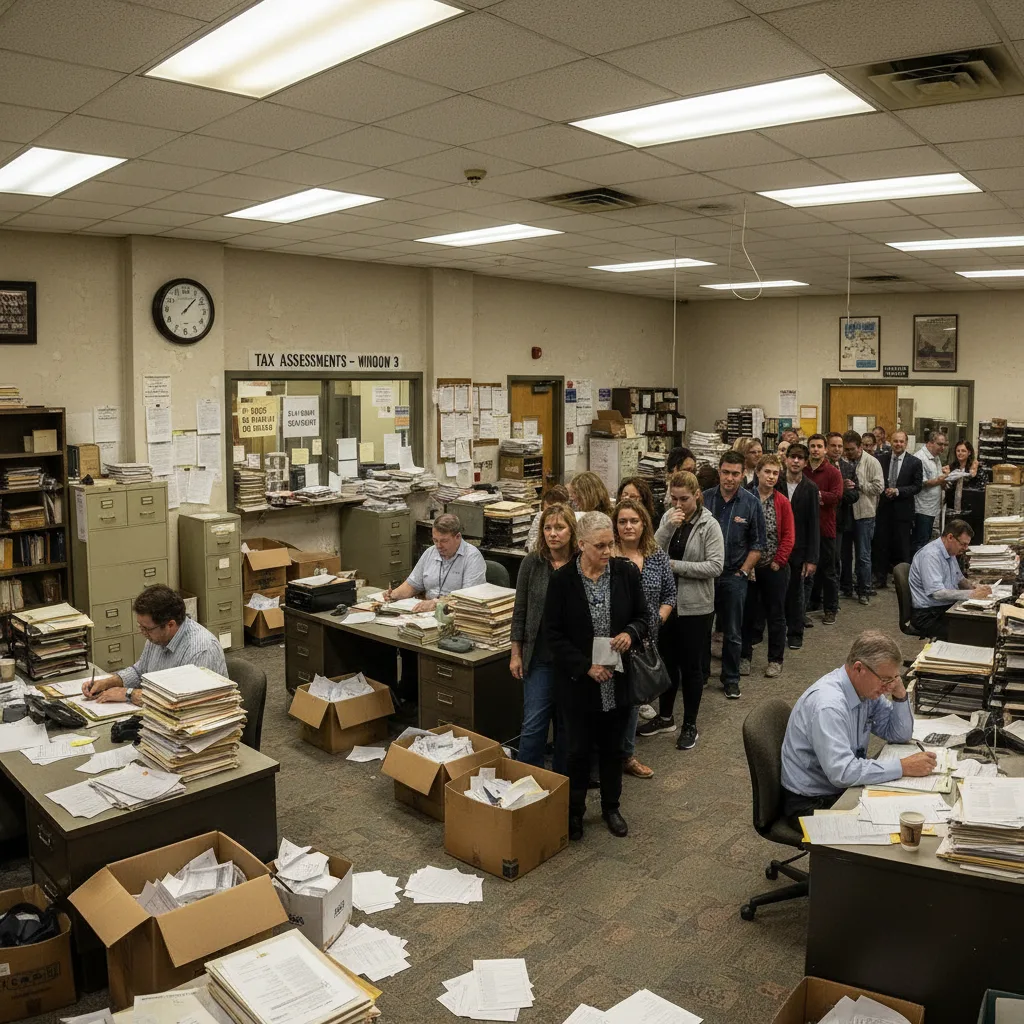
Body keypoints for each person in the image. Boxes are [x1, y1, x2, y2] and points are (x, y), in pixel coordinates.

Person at [545, 511, 647, 841]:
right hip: (579, 684)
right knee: (576, 752)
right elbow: (553, 635)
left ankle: (611, 807)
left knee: (613, 749)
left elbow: (644, 617)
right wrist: (586, 666)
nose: (607, 552)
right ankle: (574, 812)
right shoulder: (562, 582)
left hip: (616, 681)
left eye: (611, 545)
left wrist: (630, 633)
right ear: (581, 544)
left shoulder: (625, 573)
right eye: (600, 546)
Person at [780, 630, 935, 829]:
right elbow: (842, 772)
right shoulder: (829, 706)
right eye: (886, 679)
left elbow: (899, 734)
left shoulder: (865, 690)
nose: (888, 685)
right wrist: (903, 766)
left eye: (894, 678)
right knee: (894, 824)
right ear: (859, 668)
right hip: (810, 802)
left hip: (837, 788)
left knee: (909, 807)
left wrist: (899, 692)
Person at [642, 472, 723, 750]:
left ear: (697, 495)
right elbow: (650, 552)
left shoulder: (709, 525)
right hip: (666, 605)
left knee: (691, 668)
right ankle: (665, 717)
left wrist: (674, 566)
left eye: (684, 499)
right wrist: (666, 529)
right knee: (666, 663)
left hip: (696, 608)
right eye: (673, 498)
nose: (678, 504)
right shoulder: (668, 519)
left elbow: (715, 566)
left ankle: (690, 724)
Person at [511, 503, 576, 772]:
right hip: (538, 657)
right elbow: (520, 610)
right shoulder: (532, 563)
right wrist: (515, 654)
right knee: (534, 725)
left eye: (559, 527)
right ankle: (525, 782)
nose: (553, 534)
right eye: (548, 528)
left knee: (567, 728)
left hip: (572, 660)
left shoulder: (582, 564)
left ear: (572, 531)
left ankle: (561, 786)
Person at [612, 498, 674, 778]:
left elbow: (669, 595)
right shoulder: (608, 554)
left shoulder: (656, 554)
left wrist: (658, 620)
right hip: (612, 639)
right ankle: (603, 756)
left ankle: (626, 755)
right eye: (622, 521)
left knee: (633, 701)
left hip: (644, 641)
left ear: (644, 523)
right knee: (607, 700)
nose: (628, 526)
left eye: (634, 521)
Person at [83, 585, 227, 705]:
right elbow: (140, 671)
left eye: (147, 628)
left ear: (170, 624)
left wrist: (129, 694)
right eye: (140, 626)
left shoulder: (201, 650)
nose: (142, 632)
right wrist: (110, 682)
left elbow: (184, 703)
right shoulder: (157, 636)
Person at [704, 450, 765, 699]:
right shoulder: (705, 499)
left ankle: (730, 678)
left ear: (743, 475)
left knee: (732, 632)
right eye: (725, 472)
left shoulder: (751, 502)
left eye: (735, 474)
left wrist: (743, 571)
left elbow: (758, 544)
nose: (729, 478)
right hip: (705, 576)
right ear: (719, 471)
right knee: (701, 629)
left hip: (734, 576)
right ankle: (700, 674)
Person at [740, 455, 794, 679]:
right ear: (757, 473)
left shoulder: (781, 501)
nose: (771, 477)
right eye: (767, 472)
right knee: (747, 614)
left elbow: (789, 535)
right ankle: (744, 657)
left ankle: (775, 659)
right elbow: (739, 534)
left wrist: (778, 561)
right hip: (748, 568)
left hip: (773, 567)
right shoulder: (745, 498)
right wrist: (745, 564)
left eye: (775, 473)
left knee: (776, 615)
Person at [384, 512, 486, 611]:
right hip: (427, 612)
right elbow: (412, 585)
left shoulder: (472, 557)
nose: (438, 546)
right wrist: (394, 594)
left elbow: (468, 599)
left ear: (458, 537)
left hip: (454, 614)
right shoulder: (430, 552)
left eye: (444, 541)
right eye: (435, 540)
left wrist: (437, 603)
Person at [909, 519, 991, 638]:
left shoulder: (950, 552)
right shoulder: (930, 555)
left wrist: (975, 587)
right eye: (963, 544)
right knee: (969, 633)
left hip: (942, 608)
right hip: (928, 615)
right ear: (950, 537)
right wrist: (972, 594)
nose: (965, 548)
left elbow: (959, 579)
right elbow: (937, 593)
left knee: (981, 623)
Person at [777, 444, 819, 651]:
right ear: (785, 459)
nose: (795, 461)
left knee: (796, 593)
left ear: (805, 462)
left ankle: (795, 633)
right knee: (775, 593)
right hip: (777, 548)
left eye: (800, 458)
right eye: (792, 457)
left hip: (800, 549)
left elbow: (814, 523)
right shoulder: (776, 483)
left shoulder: (810, 488)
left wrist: (812, 558)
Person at [873, 430, 923, 590]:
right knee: (881, 545)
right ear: (891, 442)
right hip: (884, 510)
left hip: (903, 511)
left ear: (906, 443)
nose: (898, 444)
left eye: (901, 441)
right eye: (895, 441)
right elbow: (877, 481)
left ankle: (902, 581)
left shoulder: (914, 462)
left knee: (902, 547)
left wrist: (898, 491)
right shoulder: (881, 460)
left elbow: (917, 486)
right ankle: (880, 578)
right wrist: (886, 490)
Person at [840, 430, 884, 605]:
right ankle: (846, 588)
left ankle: (864, 590)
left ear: (859, 447)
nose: (848, 453)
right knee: (844, 555)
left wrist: (859, 485)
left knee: (863, 555)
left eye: (851, 450)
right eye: (846, 449)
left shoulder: (872, 462)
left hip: (864, 514)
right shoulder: (842, 462)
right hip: (845, 513)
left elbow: (879, 487)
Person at [804, 434, 843, 625]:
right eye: (812, 446)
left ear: (825, 449)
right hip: (804, 529)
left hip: (825, 528)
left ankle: (830, 609)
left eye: (819, 446)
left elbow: (836, 496)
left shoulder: (833, 472)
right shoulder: (802, 470)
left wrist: (815, 494)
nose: (815, 449)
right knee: (806, 570)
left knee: (828, 571)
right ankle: (808, 604)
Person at [828, 431, 858, 600]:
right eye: (833, 446)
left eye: (840, 446)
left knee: (836, 559)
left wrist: (842, 491)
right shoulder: (821, 467)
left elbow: (855, 495)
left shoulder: (848, 468)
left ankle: (833, 597)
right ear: (827, 447)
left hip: (840, 521)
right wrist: (841, 489)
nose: (837, 449)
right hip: (822, 519)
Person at [912, 431, 948, 555]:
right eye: (940, 444)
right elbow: (920, 483)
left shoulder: (936, 457)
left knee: (927, 542)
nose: (942, 448)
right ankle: (916, 571)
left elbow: (936, 478)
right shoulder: (919, 458)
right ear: (930, 443)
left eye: (944, 445)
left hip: (933, 508)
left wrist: (944, 481)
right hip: (922, 509)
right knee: (920, 543)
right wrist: (940, 480)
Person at [525, 484, 570, 550]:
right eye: (546, 509)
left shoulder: (569, 518)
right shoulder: (540, 516)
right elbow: (531, 547)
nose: (548, 514)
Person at [945, 439, 982, 515]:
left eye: (963, 451)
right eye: (958, 451)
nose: (960, 453)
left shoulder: (976, 468)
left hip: (969, 509)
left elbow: (981, 489)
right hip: (952, 508)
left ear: (969, 452)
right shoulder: (952, 468)